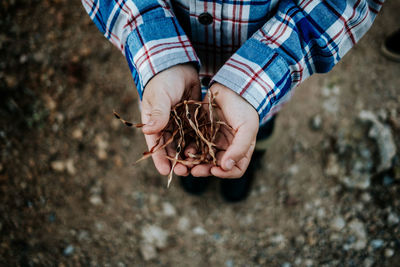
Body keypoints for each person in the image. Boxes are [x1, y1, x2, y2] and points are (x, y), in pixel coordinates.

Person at [81, 0, 383, 201]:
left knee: (256, 129)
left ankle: (247, 161)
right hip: (168, 77)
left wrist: (258, 79)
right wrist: (160, 57)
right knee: (184, 147)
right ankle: (197, 163)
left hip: (261, 88)